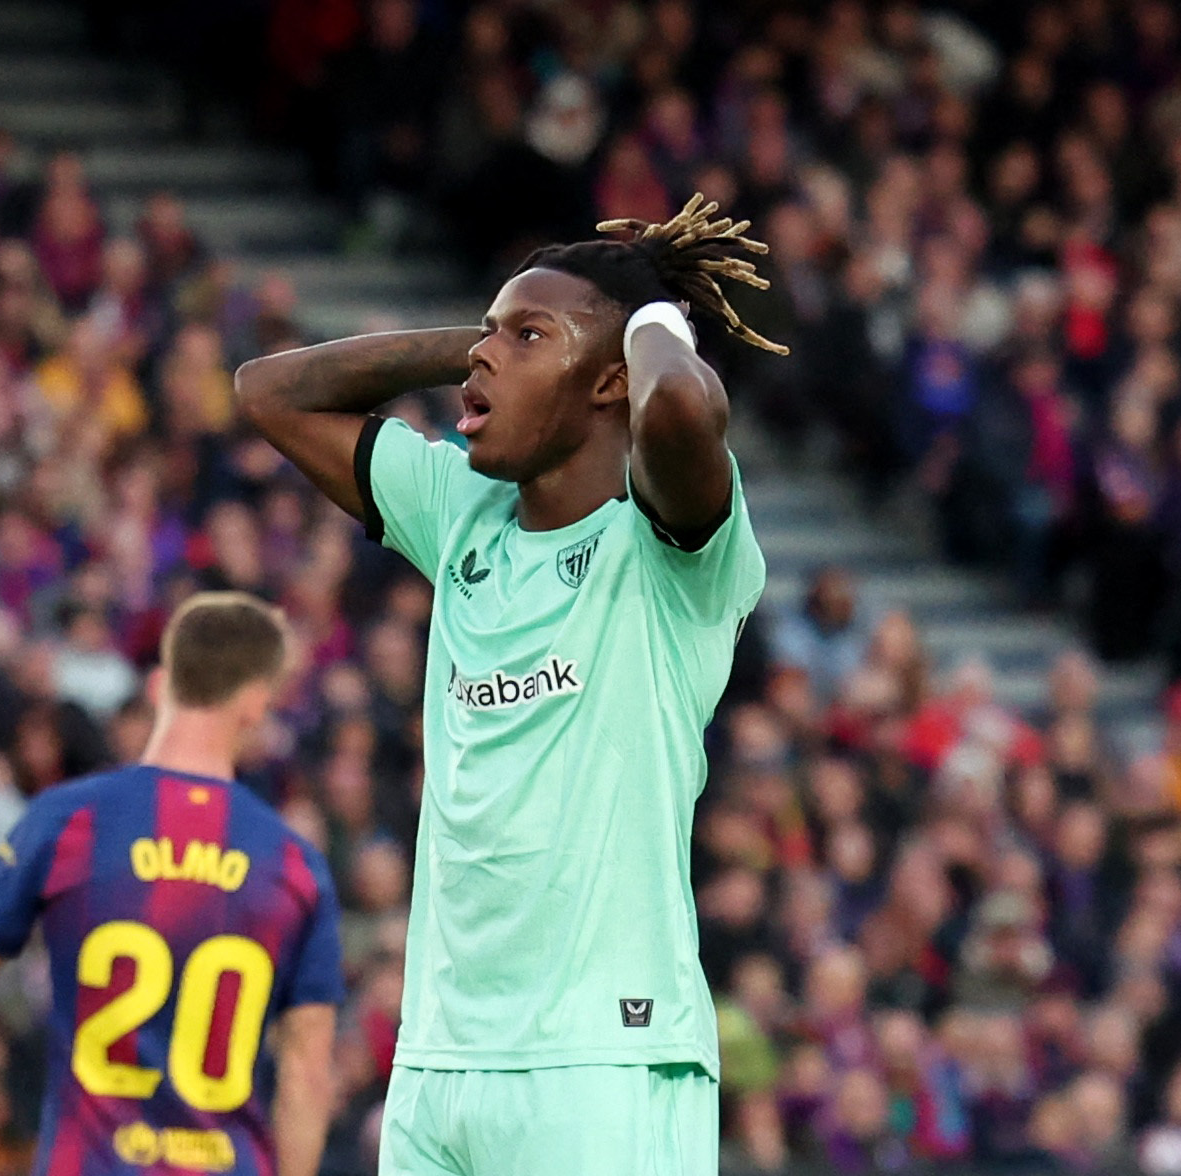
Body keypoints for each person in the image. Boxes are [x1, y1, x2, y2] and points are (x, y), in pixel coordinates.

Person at [237, 193, 778, 1175]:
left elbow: (685, 408)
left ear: (611, 382)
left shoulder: (669, 554)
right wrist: (490, 345)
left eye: (529, 335)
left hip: (606, 1061)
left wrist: (653, 317)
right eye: (490, 333)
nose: (487, 355)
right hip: (440, 1062)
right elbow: (270, 392)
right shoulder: (464, 515)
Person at [0, 593, 345, 1176]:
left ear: (158, 686)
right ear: (255, 704)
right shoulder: (294, 864)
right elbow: (307, 1070)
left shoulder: (69, 821)